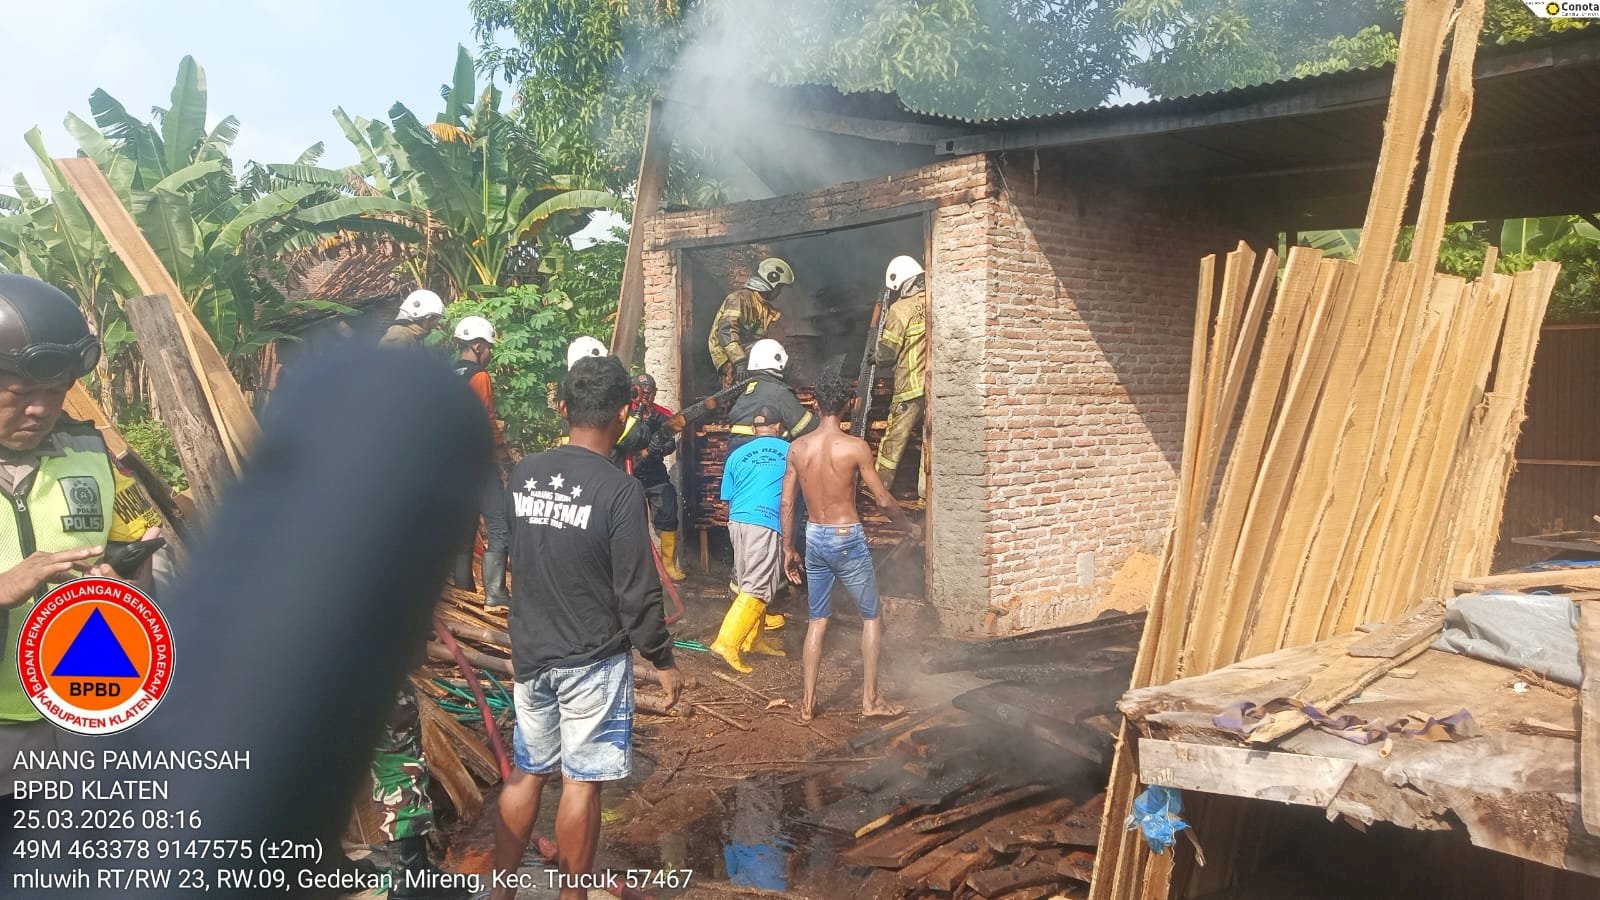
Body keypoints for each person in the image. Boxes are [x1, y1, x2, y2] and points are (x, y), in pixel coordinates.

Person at [493, 355, 682, 900]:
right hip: (591, 659)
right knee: (580, 783)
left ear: (562, 407)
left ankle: (500, 893)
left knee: (528, 772)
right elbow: (637, 591)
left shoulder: (525, 474)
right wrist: (662, 659)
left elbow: (519, 552)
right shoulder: (619, 491)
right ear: (624, 413)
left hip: (531, 651)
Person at [0, 274, 164, 793]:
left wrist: (128, 584)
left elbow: (140, 545)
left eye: (56, 393)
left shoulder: (93, 456)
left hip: (82, 713)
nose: (40, 410)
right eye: (20, 394)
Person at [782, 368, 914, 724]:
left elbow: (787, 502)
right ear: (850, 405)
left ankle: (807, 704)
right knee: (871, 616)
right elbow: (882, 499)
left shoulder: (798, 448)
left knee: (817, 620)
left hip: (814, 536)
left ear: (814, 403)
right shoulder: (855, 447)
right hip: (846, 537)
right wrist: (907, 526)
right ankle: (870, 701)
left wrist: (788, 548)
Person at [709, 407, 790, 674]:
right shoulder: (791, 451)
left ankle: (754, 641)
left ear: (755, 429)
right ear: (778, 427)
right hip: (765, 521)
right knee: (757, 586)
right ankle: (726, 643)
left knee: (748, 581)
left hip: (738, 521)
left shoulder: (737, 454)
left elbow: (727, 497)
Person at [450, 315, 511, 607]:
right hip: (480, 463)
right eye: (488, 348)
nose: (489, 354)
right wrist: (503, 459)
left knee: (464, 530)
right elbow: (486, 421)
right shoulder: (480, 376)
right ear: (477, 346)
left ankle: (463, 592)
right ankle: (495, 594)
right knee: (499, 524)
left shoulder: (448, 374)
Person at [874, 256, 929, 489]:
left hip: (909, 387)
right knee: (929, 441)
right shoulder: (933, 300)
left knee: (893, 441)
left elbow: (886, 355)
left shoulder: (899, 310)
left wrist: (876, 356)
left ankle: (878, 489)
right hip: (933, 386)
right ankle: (925, 495)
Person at [629, 373, 687, 581]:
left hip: (654, 472)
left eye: (649, 392)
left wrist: (658, 448)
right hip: (628, 472)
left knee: (667, 506)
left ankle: (668, 565)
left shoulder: (663, 415)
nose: (645, 395)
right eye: (640, 391)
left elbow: (670, 443)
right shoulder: (623, 412)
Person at [708, 257, 795, 387]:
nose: (780, 292)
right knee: (737, 392)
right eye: (779, 287)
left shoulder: (764, 308)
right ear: (770, 284)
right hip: (729, 358)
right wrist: (739, 362)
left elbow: (760, 342)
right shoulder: (738, 299)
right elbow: (726, 333)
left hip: (746, 358)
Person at [724, 338, 815, 453]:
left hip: (736, 457)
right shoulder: (779, 392)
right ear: (779, 362)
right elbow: (808, 429)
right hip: (768, 458)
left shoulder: (746, 391)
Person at [380, 289, 446, 348]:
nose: (435, 325)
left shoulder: (413, 335)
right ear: (423, 317)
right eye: (433, 319)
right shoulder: (398, 336)